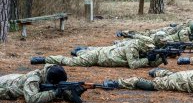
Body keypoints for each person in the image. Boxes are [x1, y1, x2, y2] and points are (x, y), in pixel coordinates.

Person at [30, 37, 164, 69]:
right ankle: (45, 59)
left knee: (82, 54)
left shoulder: (140, 48)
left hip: (103, 52)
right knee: (73, 62)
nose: (149, 50)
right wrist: (148, 59)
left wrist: (159, 58)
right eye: (149, 48)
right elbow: (133, 65)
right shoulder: (132, 47)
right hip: (98, 57)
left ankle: (80, 51)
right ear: (143, 45)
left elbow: (150, 63)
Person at [0, 64, 77, 103]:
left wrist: (76, 91)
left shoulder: (56, 73)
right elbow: (31, 99)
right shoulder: (34, 80)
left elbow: (62, 87)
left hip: (17, 77)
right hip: (5, 84)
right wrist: (54, 93)